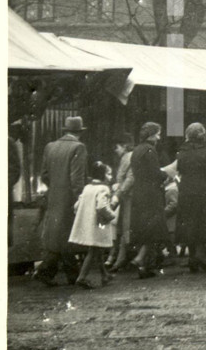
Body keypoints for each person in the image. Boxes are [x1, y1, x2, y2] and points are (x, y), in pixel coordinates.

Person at [34, 116, 88, 287]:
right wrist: (79, 199)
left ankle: (52, 272)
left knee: (60, 235)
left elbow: (44, 175)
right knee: (67, 236)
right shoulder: (78, 147)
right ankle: (58, 272)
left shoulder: (50, 147)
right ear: (79, 132)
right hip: (68, 199)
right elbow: (77, 179)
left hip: (54, 197)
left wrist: (56, 187)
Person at [128, 122, 171, 279]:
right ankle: (141, 260)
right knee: (154, 230)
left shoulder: (136, 150)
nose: (159, 137)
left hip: (139, 192)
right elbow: (155, 173)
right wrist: (165, 175)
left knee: (146, 229)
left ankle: (145, 265)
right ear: (151, 135)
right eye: (158, 134)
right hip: (151, 194)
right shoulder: (150, 150)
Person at [68, 161, 115, 289]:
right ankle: (81, 277)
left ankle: (104, 274)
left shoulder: (87, 187)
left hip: (89, 224)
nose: (111, 177)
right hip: (98, 224)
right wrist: (111, 215)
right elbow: (101, 206)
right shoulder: (103, 188)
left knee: (97, 249)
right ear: (103, 175)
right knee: (94, 250)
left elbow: (77, 206)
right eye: (109, 174)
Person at [175, 123, 206, 273]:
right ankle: (202, 257)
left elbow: (180, 169)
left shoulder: (182, 151)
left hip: (186, 190)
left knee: (189, 224)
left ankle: (192, 257)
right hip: (203, 190)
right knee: (202, 223)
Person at [106, 133, 135, 272]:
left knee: (126, 228)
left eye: (117, 147)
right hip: (126, 196)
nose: (115, 150)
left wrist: (117, 194)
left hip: (128, 197)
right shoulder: (127, 157)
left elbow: (129, 179)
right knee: (123, 229)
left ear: (124, 146)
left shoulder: (128, 157)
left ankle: (120, 259)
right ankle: (119, 258)